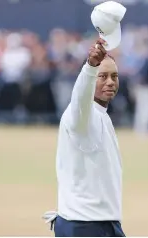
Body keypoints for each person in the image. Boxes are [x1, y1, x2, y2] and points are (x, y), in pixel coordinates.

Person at [44, 38, 125, 237]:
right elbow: (80, 98)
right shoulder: (80, 116)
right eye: (102, 76)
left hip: (102, 222)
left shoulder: (101, 115)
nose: (110, 82)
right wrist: (90, 67)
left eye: (114, 76)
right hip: (84, 225)